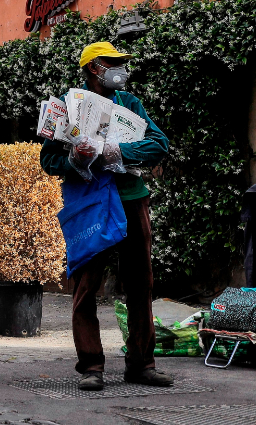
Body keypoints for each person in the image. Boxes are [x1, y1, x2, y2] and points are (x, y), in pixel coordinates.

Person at [40, 41, 172, 391]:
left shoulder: (130, 104)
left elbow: (159, 144)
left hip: (131, 200)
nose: (121, 69)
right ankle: (91, 366)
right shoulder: (68, 108)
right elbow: (48, 160)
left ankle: (142, 364)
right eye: (112, 62)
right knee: (86, 286)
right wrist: (74, 160)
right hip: (91, 204)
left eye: (122, 62)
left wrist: (117, 149)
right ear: (93, 69)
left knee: (140, 284)